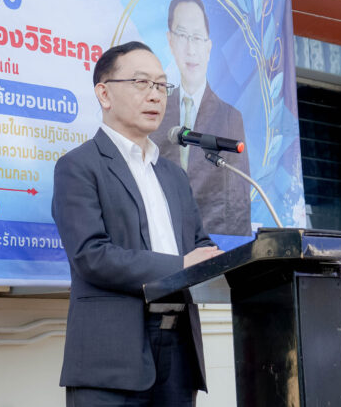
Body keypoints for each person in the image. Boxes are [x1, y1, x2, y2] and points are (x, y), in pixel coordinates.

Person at [52, 41, 223, 406]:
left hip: (178, 350)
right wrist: (181, 266)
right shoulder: (79, 167)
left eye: (161, 85)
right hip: (111, 356)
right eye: (141, 83)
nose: (155, 95)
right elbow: (90, 255)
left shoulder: (174, 175)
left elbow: (199, 245)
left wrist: (215, 260)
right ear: (104, 94)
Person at [150, 0, 252, 236]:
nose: (191, 49)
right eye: (182, 36)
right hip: (161, 241)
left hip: (212, 244)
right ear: (170, 41)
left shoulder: (230, 118)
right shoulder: (155, 112)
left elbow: (238, 199)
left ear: (208, 46)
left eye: (197, 37)